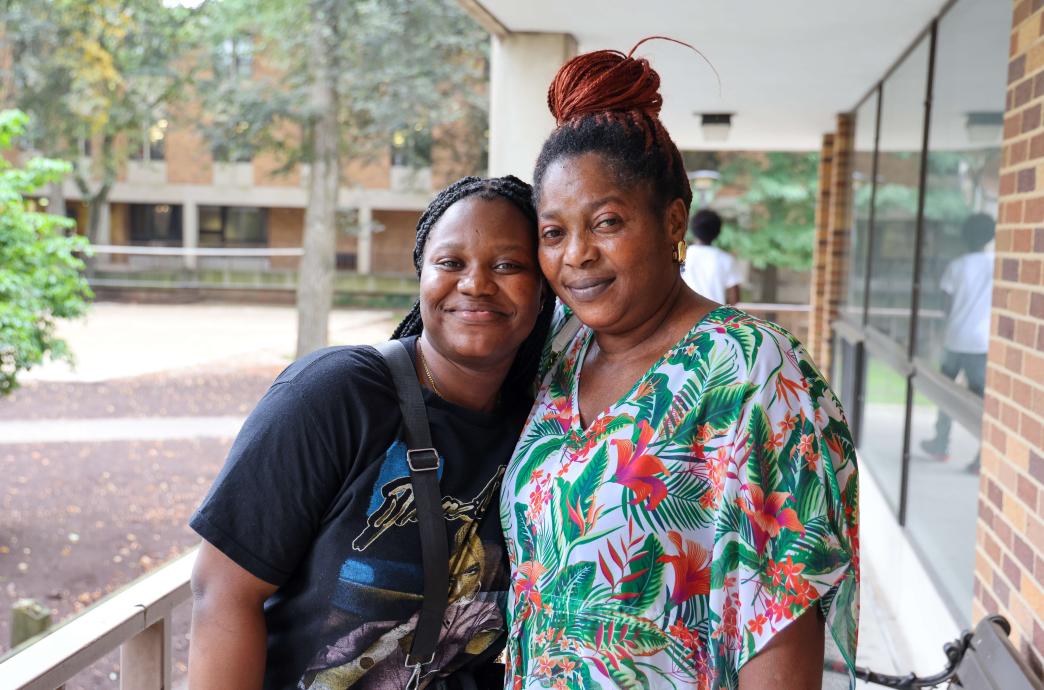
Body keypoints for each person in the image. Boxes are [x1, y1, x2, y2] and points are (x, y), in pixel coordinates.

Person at [500, 40, 859, 690]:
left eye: (606, 222)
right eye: (553, 232)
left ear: (673, 222)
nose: (576, 254)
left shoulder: (749, 370)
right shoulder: (559, 353)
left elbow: (780, 606)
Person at [187, 175, 554, 690]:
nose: (475, 284)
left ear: (543, 291)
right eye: (450, 263)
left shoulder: (544, 431)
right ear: (421, 278)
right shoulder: (335, 394)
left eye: (508, 265)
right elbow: (221, 592)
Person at [920, 213, 995, 471]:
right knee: (981, 403)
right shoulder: (996, 265)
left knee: (946, 396)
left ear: (965, 236)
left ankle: (941, 444)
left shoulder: (957, 266)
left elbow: (946, 306)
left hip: (955, 339)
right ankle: (982, 457)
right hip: (982, 344)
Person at [681, 208, 743, 305]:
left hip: (686, 316)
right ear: (718, 231)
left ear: (692, 229)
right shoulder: (726, 260)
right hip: (716, 317)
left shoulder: (682, 256)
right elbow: (735, 299)